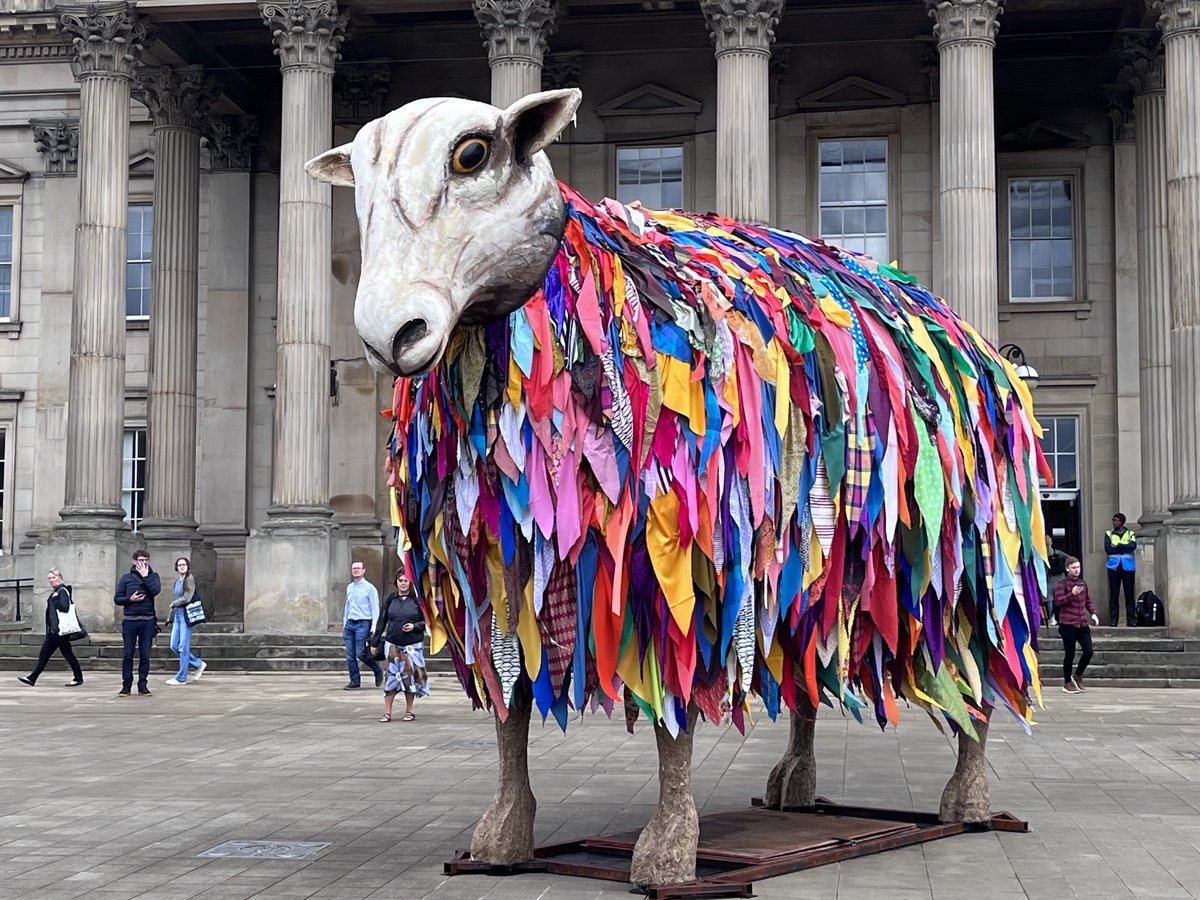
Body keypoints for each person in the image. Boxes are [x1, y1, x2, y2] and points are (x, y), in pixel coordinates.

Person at [373, 572, 429, 721]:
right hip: (393, 644)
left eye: (406, 580)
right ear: (396, 582)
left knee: (409, 679)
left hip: (412, 646)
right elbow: (382, 620)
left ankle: (409, 711)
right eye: (400, 580)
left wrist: (415, 626)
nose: (403, 583)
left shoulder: (417, 600)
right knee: (391, 679)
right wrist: (374, 642)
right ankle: (387, 712)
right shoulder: (391, 598)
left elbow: (427, 621)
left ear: (410, 583)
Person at [17, 569, 84, 688]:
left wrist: (54, 599)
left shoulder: (62, 591)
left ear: (60, 578)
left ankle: (78, 678)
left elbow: (65, 607)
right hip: (54, 631)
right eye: (49, 578)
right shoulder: (57, 591)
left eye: (53, 577)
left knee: (67, 655)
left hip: (60, 631)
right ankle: (32, 678)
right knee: (45, 655)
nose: (51, 580)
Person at [114, 549, 161, 696]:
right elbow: (117, 598)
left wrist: (146, 577)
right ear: (134, 562)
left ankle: (143, 685)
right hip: (130, 620)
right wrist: (130, 599)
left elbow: (155, 591)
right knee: (128, 654)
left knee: (145, 655)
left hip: (147, 620)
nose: (144, 563)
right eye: (141, 560)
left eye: (146, 560)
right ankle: (126, 686)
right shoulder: (126, 578)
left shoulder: (153, 576)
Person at [1054, 556, 1099, 694]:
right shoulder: (1062, 584)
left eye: (1078, 567)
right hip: (1067, 622)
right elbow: (1058, 601)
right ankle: (1067, 682)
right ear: (1067, 569)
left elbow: (1087, 600)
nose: (1076, 570)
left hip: (1082, 622)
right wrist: (1071, 594)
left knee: (1089, 651)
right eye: (1073, 568)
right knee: (1070, 653)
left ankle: (1078, 675)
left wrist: (1093, 613)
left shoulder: (1082, 583)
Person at [164, 557, 207, 686]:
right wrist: (170, 617)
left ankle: (181, 677)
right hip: (177, 615)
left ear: (188, 566)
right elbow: (175, 599)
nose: (182, 567)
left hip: (185, 615)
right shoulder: (177, 581)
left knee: (183, 647)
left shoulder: (189, 579)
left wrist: (174, 603)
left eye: (184, 564)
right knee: (174, 645)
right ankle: (198, 663)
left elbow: (187, 597)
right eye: (179, 565)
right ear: (176, 567)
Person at [342, 560, 382, 690]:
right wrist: (345, 622)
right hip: (350, 623)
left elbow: (375, 608)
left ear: (363, 570)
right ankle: (354, 680)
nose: (356, 570)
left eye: (358, 568)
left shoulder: (369, 588)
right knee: (350, 655)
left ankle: (376, 669)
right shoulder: (350, 587)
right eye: (354, 568)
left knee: (360, 653)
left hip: (363, 623)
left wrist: (374, 627)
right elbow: (347, 606)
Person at [1104, 513, 1137, 626]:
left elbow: (1132, 547)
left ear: (1122, 522)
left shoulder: (1130, 533)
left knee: (1129, 594)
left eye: (1117, 520)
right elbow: (1108, 549)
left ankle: (1131, 620)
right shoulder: (1108, 533)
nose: (1114, 522)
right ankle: (1114, 620)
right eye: (1113, 520)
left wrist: (1117, 546)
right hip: (1114, 567)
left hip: (1128, 567)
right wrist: (1124, 546)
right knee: (1114, 594)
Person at [1045, 534, 1068, 627]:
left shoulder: (1043, 555)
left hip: (1049, 579)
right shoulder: (1058, 553)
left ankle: (1052, 617)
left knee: (1049, 600)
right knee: (1060, 599)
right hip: (1060, 578)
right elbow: (1070, 558)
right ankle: (1062, 617)